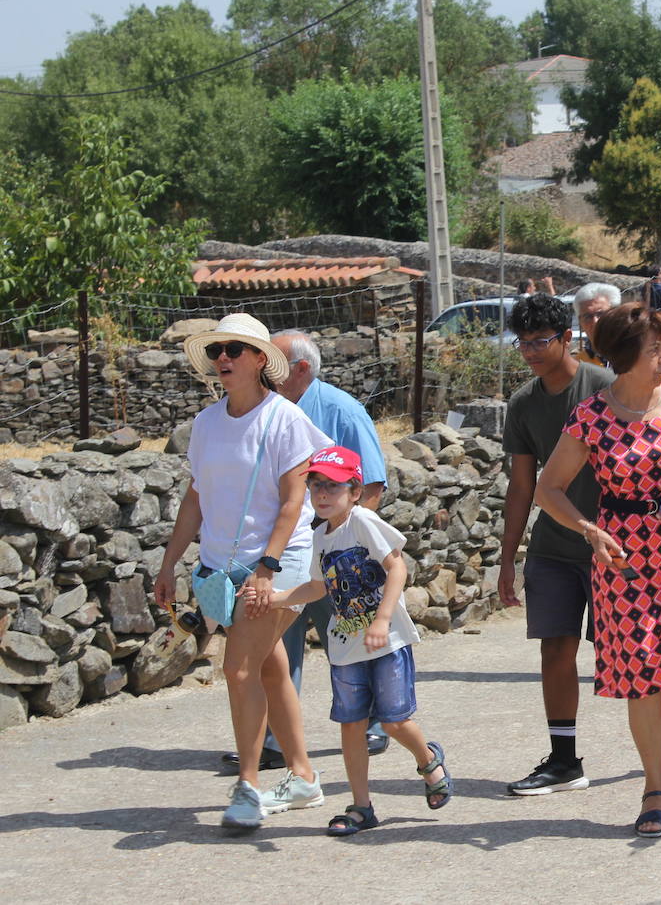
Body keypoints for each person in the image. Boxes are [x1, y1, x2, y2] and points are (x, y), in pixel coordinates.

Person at [534, 303, 661, 838]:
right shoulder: (592, 417)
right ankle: (654, 784)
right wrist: (590, 530)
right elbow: (548, 489)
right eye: (654, 349)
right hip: (623, 562)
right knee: (642, 675)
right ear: (625, 357)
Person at [499, 293, 661, 796]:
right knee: (554, 649)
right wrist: (508, 558)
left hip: (620, 549)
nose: (531, 351)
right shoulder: (523, 405)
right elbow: (522, 486)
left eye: (541, 340)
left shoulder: (607, 388)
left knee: (629, 651)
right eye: (523, 342)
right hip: (555, 547)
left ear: (567, 339)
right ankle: (563, 761)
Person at [153, 313, 331, 830]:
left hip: (277, 564)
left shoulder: (285, 420)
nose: (223, 359)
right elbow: (196, 499)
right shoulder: (206, 424)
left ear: (260, 360)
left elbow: (293, 502)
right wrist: (169, 563)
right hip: (223, 569)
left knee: (238, 670)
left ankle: (249, 787)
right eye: (216, 352)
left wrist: (267, 571)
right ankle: (302, 776)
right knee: (270, 666)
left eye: (234, 349)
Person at [218, 329, 391, 772]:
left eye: (273, 359)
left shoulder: (339, 409)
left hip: (334, 553)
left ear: (298, 369)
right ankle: (273, 742)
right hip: (286, 553)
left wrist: (347, 547)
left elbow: (370, 484)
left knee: (348, 638)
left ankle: (371, 721)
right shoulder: (260, 413)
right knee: (277, 649)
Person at [259, 446, 449, 835]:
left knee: (395, 722)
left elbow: (397, 568)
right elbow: (316, 586)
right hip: (346, 647)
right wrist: (276, 598)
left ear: (355, 491)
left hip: (388, 641)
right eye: (316, 487)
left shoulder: (363, 522)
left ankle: (429, 760)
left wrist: (381, 620)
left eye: (334, 486)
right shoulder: (320, 537)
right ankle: (361, 807)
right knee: (351, 725)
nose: (323, 495)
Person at [572, 283, 621, 367]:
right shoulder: (578, 365)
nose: (595, 321)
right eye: (588, 316)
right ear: (580, 322)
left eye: (601, 314)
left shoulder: (634, 355)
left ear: (615, 315)